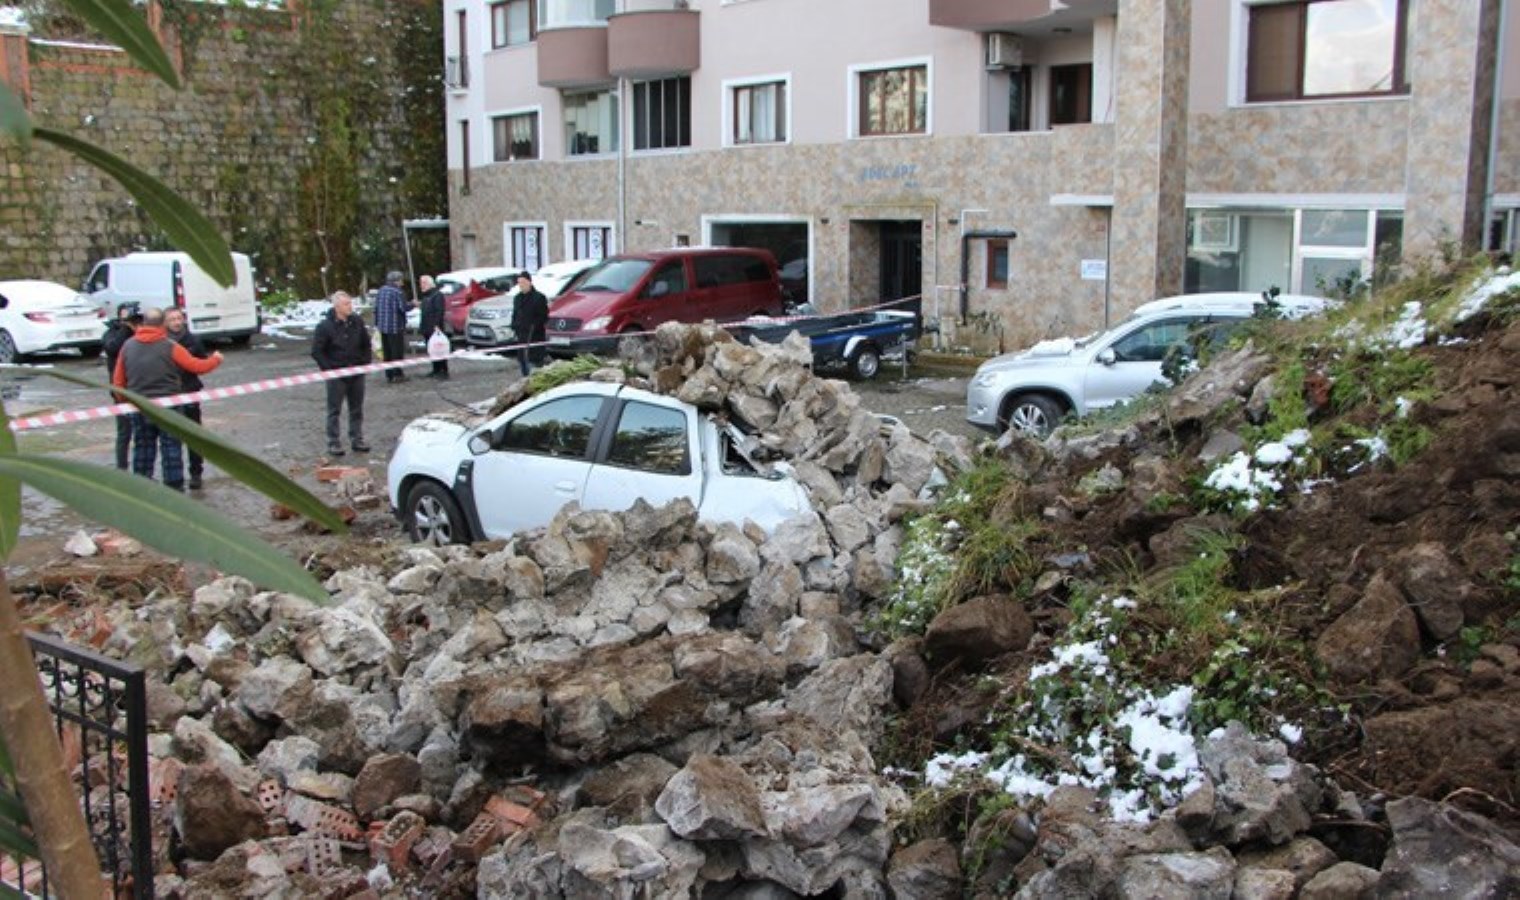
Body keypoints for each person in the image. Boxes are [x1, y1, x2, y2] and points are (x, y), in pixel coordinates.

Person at [112, 307, 223, 491]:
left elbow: (118, 380)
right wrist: (216, 359)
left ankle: (141, 485)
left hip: (139, 406)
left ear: (144, 323)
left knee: (143, 446)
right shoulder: (170, 346)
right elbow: (196, 366)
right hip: (169, 405)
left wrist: (123, 401)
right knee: (171, 446)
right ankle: (174, 486)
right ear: (163, 324)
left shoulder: (127, 346)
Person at [311, 291, 373, 456]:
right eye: (346, 304)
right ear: (337, 307)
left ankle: (357, 439)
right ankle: (334, 441)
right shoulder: (325, 326)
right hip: (336, 374)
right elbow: (317, 351)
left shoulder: (357, 322)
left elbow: (366, 345)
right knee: (334, 410)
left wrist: (365, 363)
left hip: (357, 372)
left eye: (350, 303)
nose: (350, 307)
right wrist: (329, 371)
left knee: (356, 409)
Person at [164, 308, 209, 490]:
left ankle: (196, 473)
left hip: (190, 391)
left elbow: (202, 362)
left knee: (194, 435)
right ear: (165, 322)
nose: (176, 322)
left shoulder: (193, 340)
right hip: (169, 394)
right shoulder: (161, 342)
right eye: (172, 319)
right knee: (171, 437)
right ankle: (175, 476)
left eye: (179, 318)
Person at [101, 302, 141, 470]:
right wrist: (125, 329)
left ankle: (142, 470)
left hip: (141, 387)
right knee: (124, 433)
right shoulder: (111, 334)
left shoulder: (141, 332)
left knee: (143, 434)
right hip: (121, 390)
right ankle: (122, 469)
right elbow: (112, 349)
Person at [510, 271, 548, 378]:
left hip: (534, 338)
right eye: (519, 283)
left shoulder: (539, 298)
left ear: (529, 282)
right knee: (523, 366)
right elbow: (515, 314)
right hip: (521, 337)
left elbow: (543, 317)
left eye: (523, 282)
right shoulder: (517, 298)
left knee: (534, 369)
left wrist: (533, 327)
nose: (521, 285)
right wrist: (514, 325)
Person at [375, 270, 410, 383]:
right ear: (397, 281)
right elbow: (403, 308)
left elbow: (376, 308)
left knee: (387, 352)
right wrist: (413, 304)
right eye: (401, 280)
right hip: (395, 327)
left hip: (383, 326)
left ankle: (389, 374)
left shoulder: (381, 290)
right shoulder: (398, 292)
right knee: (397, 352)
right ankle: (398, 374)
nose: (402, 282)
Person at [417, 274, 449, 380]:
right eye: (421, 283)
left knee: (439, 349)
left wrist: (436, 325)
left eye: (424, 283)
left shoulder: (437, 295)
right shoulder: (427, 295)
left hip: (435, 327)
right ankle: (435, 369)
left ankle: (443, 370)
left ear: (430, 284)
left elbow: (439, 311)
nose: (421, 285)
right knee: (431, 350)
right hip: (426, 327)